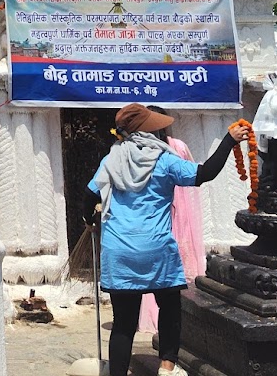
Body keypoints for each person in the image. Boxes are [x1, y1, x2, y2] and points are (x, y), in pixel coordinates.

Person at [89, 103, 247, 376]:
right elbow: (204, 173)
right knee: (170, 307)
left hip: (119, 250)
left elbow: (89, 196)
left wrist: (90, 221)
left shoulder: (111, 160)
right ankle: (167, 366)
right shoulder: (164, 160)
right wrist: (229, 141)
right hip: (156, 248)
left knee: (123, 323)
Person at [138, 106, 205, 335]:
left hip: (158, 210)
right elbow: (194, 172)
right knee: (179, 263)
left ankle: (159, 315)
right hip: (179, 209)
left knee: (159, 265)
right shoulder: (178, 146)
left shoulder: (141, 151)